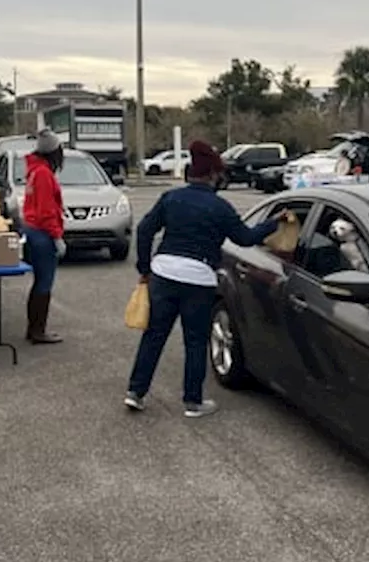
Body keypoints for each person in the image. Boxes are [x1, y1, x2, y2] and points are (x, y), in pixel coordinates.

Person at [123, 140, 287, 418]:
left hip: (164, 273)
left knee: (154, 336)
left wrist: (145, 267)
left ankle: (135, 393)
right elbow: (245, 239)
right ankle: (192, 402)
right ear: (213, 176)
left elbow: (144, 230)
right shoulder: (220, 207)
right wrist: (274, 223)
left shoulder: (171, 199)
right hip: (198, 279)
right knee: (195, 341)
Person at [20, 129, 66, 344]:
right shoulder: (44, 175)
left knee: (39, 282)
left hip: (32, 229)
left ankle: (34, 329)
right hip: (42, 233)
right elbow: (47, 210)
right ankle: (38, 331)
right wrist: (57, 236)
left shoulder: (34, 171)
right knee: (44, 283)